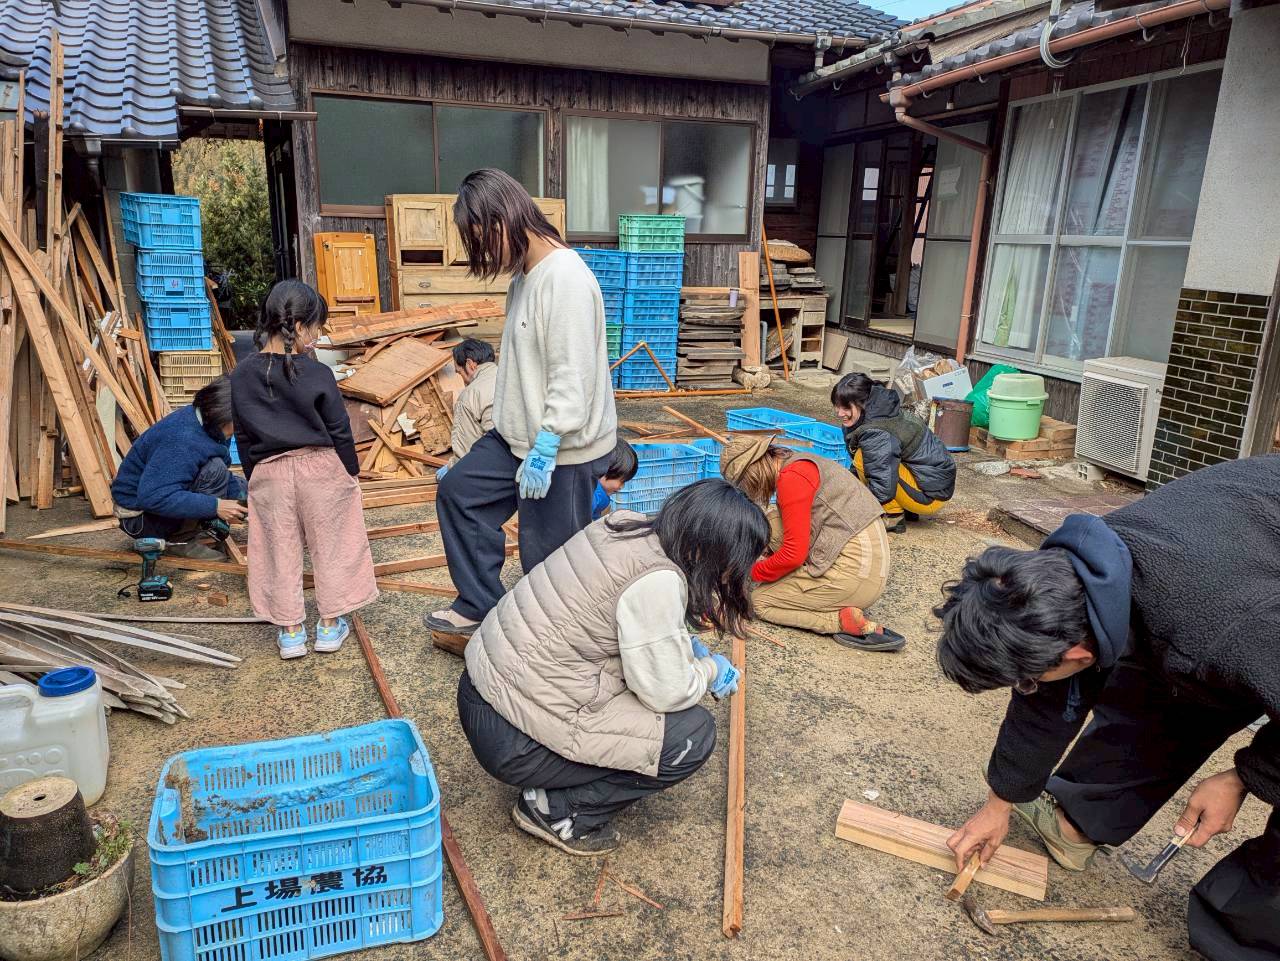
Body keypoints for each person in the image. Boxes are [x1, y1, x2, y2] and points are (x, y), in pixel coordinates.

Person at [935, 456, 1280, 961]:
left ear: (1076, 653)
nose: (1028, 687)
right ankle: (1080, 819)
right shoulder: (1080, 578)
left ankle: (1249, 941)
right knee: (1158, 678)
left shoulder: (1224, 630)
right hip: (1239, 572)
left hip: (1245, 608)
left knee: (1189, 663)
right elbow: (1048, 694)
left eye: (1027, 678)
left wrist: (1247, 777)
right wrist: (999, 804)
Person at [457, 479, 764, 855]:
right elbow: (667, 691)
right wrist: (711, 670)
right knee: (691, 736)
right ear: (715, 551)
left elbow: (609, 617)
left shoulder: (622, 526)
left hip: (482, 685)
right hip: (511, 737)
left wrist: (684, 642)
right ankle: (558, 811)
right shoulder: (657, 582)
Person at [428, 169, 616, 639]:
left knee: (548, 560)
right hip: (515, 438)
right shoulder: (524, 278)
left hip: (563, 447)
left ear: (502, 220)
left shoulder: (566, 279)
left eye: (483, 241)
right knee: (460, 494)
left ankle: (559, 645)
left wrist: (548, 444)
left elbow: (573, 374)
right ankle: (480, 606)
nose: (488, 255)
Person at [230, 280, 378, 660]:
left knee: (277, 549)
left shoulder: (242, 374)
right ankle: (329, 625)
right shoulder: (317, 373)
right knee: (335, 544)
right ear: (297, 326)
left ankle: (291, 632)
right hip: (321, 468)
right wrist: (350, 473)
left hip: (270, 471)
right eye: (315, 327)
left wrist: (254, 475)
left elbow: (243, 434)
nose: (316, 336)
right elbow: (339, 429)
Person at [719, 436, 904, 652]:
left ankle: (840, 622)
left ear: (752, 473)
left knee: (760, 601)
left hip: (858, 574)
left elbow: (793, 555)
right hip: (869, 560)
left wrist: (750, 572)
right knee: (772, 521)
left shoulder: (791, 480)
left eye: (743, 484)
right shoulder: (797, 463)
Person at [110, 376, 247, 559]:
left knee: (244, 489)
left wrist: (242, 499)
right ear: (222, 416)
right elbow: (154, 497)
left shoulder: (209, 424)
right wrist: (216, 506)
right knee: (215, 470)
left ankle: (200, 524)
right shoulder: (180, 439)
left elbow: (224, 470)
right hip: (140, 517)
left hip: (156, 497)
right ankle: (179, 540)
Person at [831, 373, 955, 533]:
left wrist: (860, 511)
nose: (839, 413)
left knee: (864, 458)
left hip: (931, 496)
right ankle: (906, 507)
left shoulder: (876, 429)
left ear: (862, 403)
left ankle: (893, 516)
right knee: (871, 461)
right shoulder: (878, 410)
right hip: (927, 481)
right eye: (837, 406)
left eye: (846, 408)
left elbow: (882, 481)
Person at [437, 338, 497, 480]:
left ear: (470, 364)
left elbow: (464, 454)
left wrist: (451, 468)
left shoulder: (470, 395)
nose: (463, 381)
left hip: (496, 467)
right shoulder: (515, 378)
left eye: (459, 373)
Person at [591, 438, 638, 520]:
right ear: (604, 471)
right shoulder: (592, 496)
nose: (622, 487)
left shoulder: (599, 493)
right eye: (622, 481)